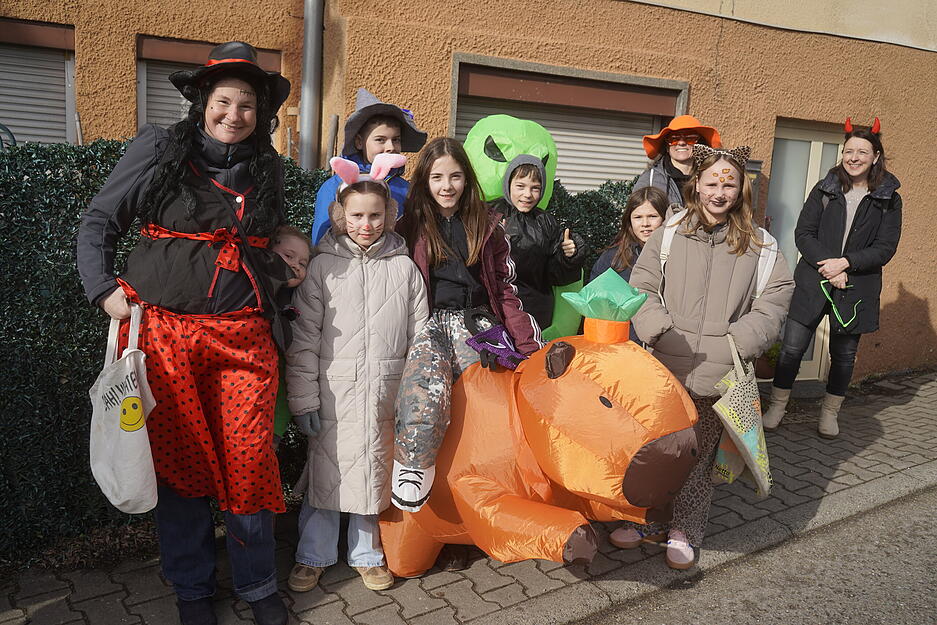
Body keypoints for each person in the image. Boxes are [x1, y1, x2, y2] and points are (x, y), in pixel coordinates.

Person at [77, 42, 294, 625]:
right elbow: (101, 218)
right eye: (223, 101)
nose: (234, 114)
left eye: (247, 104)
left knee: (250, 458)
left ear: (261, 113)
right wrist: (102, 288)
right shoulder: (160, 146)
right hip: (167, 334)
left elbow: (263, 234)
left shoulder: (268, 165)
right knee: (182, 463)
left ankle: (256, 585)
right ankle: (193, 589)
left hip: (244, 335)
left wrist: (287, 249)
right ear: (203, 102)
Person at [622, 144, 794, 569]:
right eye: (712, 182)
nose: (720, 191)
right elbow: (641, 284)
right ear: (696, 184)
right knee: (659, 450)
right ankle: (651, 521)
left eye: (729, 183)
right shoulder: (669, 233)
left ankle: (686, 529)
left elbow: (776, 299)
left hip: (721, 369)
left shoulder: (761, 244)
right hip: (667, 363)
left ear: (741, 189)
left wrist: (739, 340)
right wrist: (656, 326)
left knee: (698, 458)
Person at [391, 137, 544, 569]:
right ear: (424, 180)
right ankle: (420, 497)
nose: (447, 185)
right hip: (430, 324)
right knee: (427, 403)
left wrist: (527, 347)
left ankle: (470, 524)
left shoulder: (487, 226)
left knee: (480, 423)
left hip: (479, 327)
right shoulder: (409, 225)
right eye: (437, 176)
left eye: (455, 176)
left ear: (467, 179)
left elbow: (506, 292)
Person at [285, 155, 429, 593]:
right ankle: (313, 554)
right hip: (334, 393)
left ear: (389, 216)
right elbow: (304, 341)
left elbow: (420, 340)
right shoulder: (323, 268)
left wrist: (415, 401)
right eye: (357, 215)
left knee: (375, 473)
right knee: (326, 473)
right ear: (340, 215)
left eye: (375, 215)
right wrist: (303, 400)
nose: (366, 224)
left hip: (385, 393)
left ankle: (367, 554)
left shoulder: (404, 269)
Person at [762, 119, 902, 438]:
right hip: (814, 281)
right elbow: (804, 233)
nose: (854, 157)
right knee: (791, 349)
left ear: (876, 156)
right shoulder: (826, 188)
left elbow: (885, 247)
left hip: (856, 288)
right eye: (849, 150)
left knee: (844, 356)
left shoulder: (888, 198)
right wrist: (829, 266)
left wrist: (846, 264)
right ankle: (778, 406)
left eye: (862, 151)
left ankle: (829, 413)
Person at [309, 88, 427, 244]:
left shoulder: (407, 190)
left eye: (396, 139)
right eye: (380, 140)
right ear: (359, 142)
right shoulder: (335, 187)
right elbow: (321, 239)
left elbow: (416, 237)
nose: (390, 147)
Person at [492, 155, 589, 329]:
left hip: (535, 308)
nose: (527, 194)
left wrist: (569, 255)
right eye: (520, 186)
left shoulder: (546, 222)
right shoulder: (490, 214)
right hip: (495, 305)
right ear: (508, 184)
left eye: (535, 188)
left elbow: (555, 274)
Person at [270, 226, 312, 446]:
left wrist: (276, 430)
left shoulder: (295, 307)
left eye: (303, 263)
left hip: (271, 420)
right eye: (288, 256)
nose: (296, 264)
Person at [632, 115, 722, 207]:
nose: (681, 143)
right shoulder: (650, 179)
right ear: (667, 147)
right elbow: (636, 214)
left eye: (689, 138)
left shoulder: (712, 177)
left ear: (700, 145)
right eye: (674, 139)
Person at [589, 185, 668, 283]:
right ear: (629, 220)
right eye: (638, 217)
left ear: (665, 218)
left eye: (652, 216)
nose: (645, 223)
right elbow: (595, 293)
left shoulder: (679, 252)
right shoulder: (613, 257)